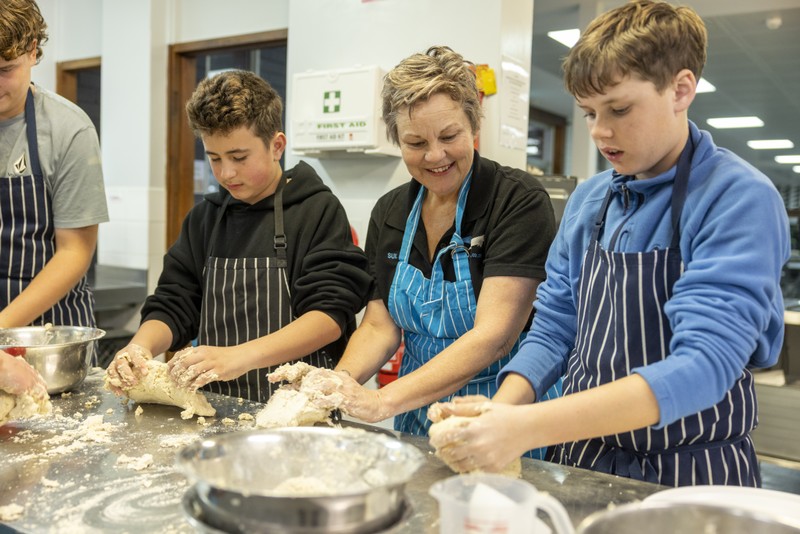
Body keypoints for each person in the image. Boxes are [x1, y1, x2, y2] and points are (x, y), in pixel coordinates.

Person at [428, 0, 790, 487]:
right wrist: (500, 410)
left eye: (619, 109)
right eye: (589, 113)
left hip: (690, 469)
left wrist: (525, 426)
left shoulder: (737, 198)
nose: (600, 131)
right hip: (582, 461)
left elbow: (705, 365)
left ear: (681, 89)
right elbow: (555, 326)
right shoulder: (591, 200)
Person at [319, 46, 561, 454]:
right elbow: (380, 325)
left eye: (449, 136)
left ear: (474, 125)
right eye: (415, 142)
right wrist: (339, 383)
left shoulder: (516, 200)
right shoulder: (391, 212)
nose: (435, 156)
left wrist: (381, 400)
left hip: (500, 415)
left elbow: (494, 336)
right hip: (417, 414)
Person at [105, 70, 372, 403]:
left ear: (277, 146)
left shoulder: (316, 210)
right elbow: (175, 302)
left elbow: (329, 317)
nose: (226, 173)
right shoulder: (205, 218)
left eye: (239, 157)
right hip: (218, 406)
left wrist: (240, 357)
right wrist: (140, 347)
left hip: (298, 407)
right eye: (214, 158)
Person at [0, 0, 108, 332]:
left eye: (5, 70)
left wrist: (2, 327)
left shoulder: (68, 130)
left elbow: (74, 253)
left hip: (47, 335)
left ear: (32, 51)